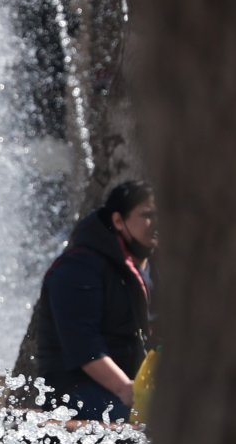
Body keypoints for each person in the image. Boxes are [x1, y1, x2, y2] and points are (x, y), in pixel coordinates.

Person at [31, 180, 157, 422]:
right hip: (73, 392)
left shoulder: (156, 265)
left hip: (132, 388)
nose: (157, 224)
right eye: (147, 215)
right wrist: (126, 390)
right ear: (119, 221)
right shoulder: (79, 267)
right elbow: (83, 347)